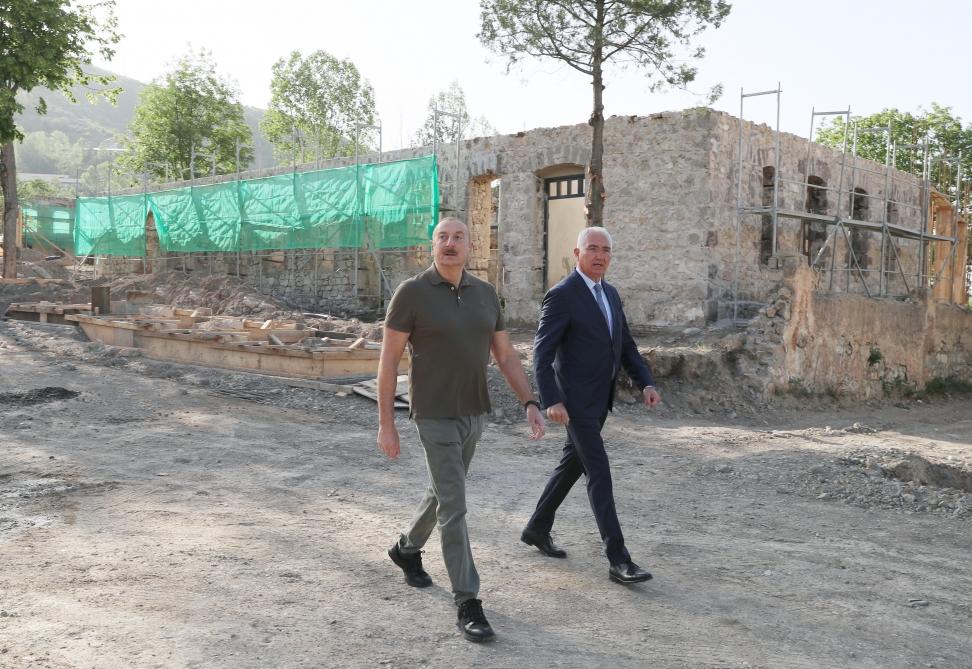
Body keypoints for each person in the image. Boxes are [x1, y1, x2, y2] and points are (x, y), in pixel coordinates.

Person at [377, 217, 545, 642]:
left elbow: (505, 356)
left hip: (474, 413)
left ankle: (406, 549)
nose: (450, 243)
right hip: (432, 414)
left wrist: (529, 401)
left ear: (471, 246)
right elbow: (388, 361)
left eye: (458, 237)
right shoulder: (411, 293)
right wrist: (386, 424)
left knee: (442, 491)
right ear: (431, 245)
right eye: (442, 237)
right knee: (455, 505)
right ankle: (468, 600)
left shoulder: (485, 294)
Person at [521, 226, 661, 584]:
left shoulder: (610, 293)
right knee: (599, 472)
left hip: (600, 401)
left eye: (606, 250)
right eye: (593, 248)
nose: (600, 255)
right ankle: (619, 560)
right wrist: (551, 399)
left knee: (572, 465)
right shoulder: (562, 295)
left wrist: (645, 381)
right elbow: (541, 353)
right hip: (574, 403)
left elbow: (625, 345)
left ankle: (537, 527)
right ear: (577, 253)